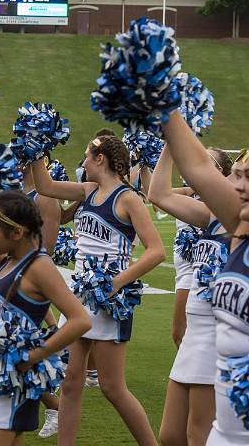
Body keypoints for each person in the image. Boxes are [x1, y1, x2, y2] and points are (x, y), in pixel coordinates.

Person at [30, 135, 166, 445]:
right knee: (70, 382)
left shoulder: (127, 199)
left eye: (86, 157)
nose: (83, 163)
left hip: (109, 301)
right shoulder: (88, 191)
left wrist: (117, 283)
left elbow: (156, 251)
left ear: (100, 159)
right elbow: (45, 186)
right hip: (80, 297)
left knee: (112, 387)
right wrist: (35, 147)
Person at [0, 190, 90, 445]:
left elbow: (80, 320)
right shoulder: (3, 260)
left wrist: (32, 356)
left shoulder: (38, 266)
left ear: (16, 233)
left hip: (13, 382)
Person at [158, 110, 249, 445]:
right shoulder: (234, 224)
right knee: (170, 436)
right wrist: (164, 103)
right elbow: (173, 185)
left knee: (196, 433)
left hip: (219, 352)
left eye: (248, 177)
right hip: (216, 356)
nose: (238, 185)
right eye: (236, 175)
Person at [149, 146, 233, 445]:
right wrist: (170, 146)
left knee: (199, 435)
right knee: (170, 435)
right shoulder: (211, 216)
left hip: (216, 336)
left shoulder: (238, 224)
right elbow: (157, 194)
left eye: (242, 176)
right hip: (193, 335)